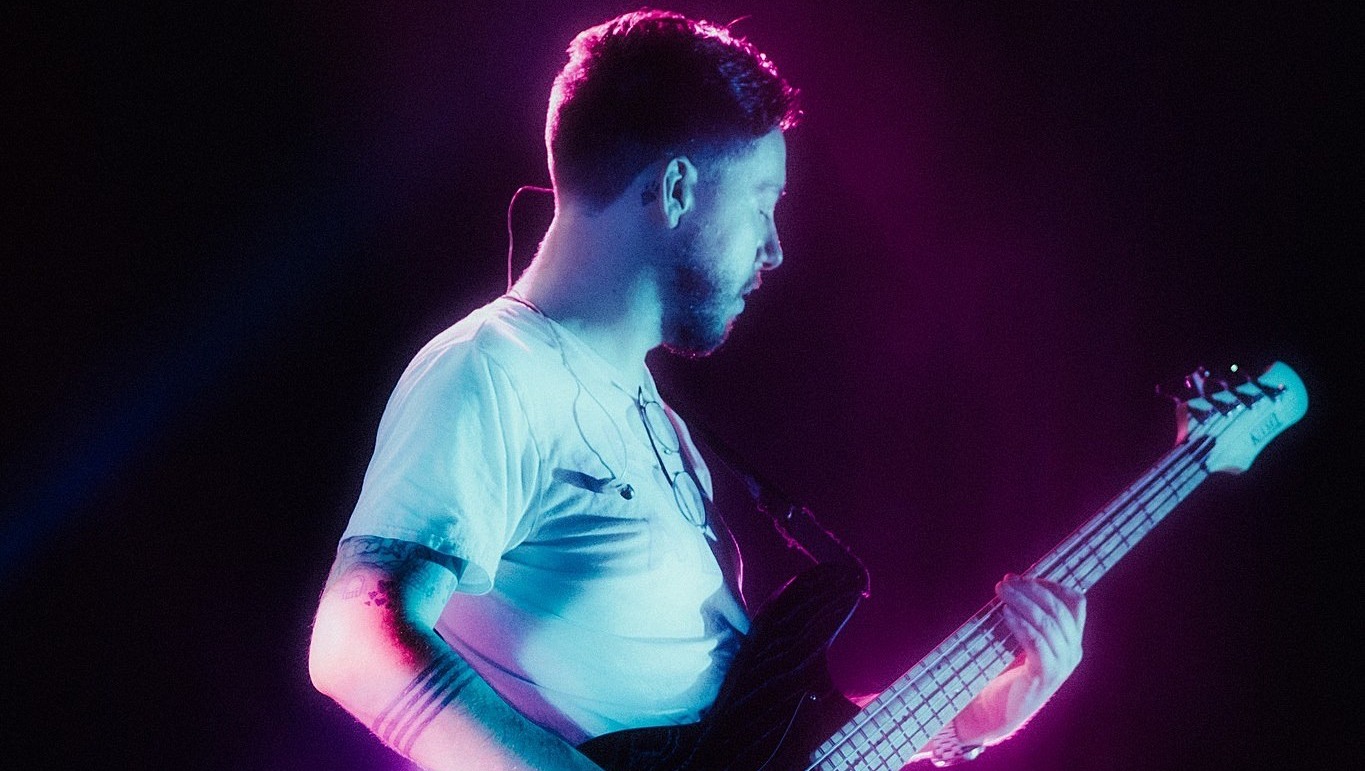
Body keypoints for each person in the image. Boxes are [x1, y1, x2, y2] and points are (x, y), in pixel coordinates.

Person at [308, 9, 1086, 770]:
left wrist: (970, 722)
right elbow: (355, 641)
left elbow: (757, 743)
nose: (773, 249)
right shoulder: (491, 367)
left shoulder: (660, 422)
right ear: (676, 189)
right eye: (760, 203)